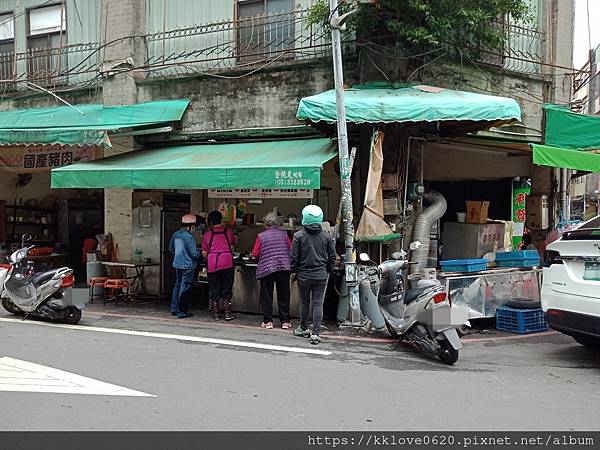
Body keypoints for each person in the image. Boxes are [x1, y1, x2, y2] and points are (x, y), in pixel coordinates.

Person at [291, 205, 336, 345]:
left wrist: (294, 270)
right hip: (321, 275)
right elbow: (332, 256)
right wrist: (328, 269)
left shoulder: (298, 236)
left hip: (303, 275)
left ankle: (303, 328)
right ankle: (316, 334)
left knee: (304, 302)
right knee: (318, 304)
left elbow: (294, 257)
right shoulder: (327, 236)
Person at [252, 212, 292, 330]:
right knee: (284, 294)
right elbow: (291, 249)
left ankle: (268, 321)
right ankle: (285, 321)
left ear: (265, 224)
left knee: (267, 295)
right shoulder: (284, 234)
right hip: (283, 267)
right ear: (277, 223)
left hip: (267, 268)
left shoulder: (261, 236)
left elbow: (255, 253)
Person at [202, 211, 237, 321]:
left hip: (212, 263)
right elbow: (233, 243)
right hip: (227, 262)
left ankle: (216, 313)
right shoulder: (229, 231)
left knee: (214, 287)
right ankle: (227, 313)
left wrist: (207, 258)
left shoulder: (207, 234)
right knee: (227, 287)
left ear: (210, 222)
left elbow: (204, 251)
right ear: (221, 220)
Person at [169, 213, 200, 319]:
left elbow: (171, 248)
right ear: (190, 225)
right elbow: (194, 254)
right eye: (194, 226)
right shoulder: (189, 237)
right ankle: (181, 311)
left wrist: (179, 255)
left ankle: (174, 308)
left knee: (177, 285)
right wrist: (201, 252)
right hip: (188, 266)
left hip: (177, 264)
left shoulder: (176, 234)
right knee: (185, 287)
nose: (195, 228)